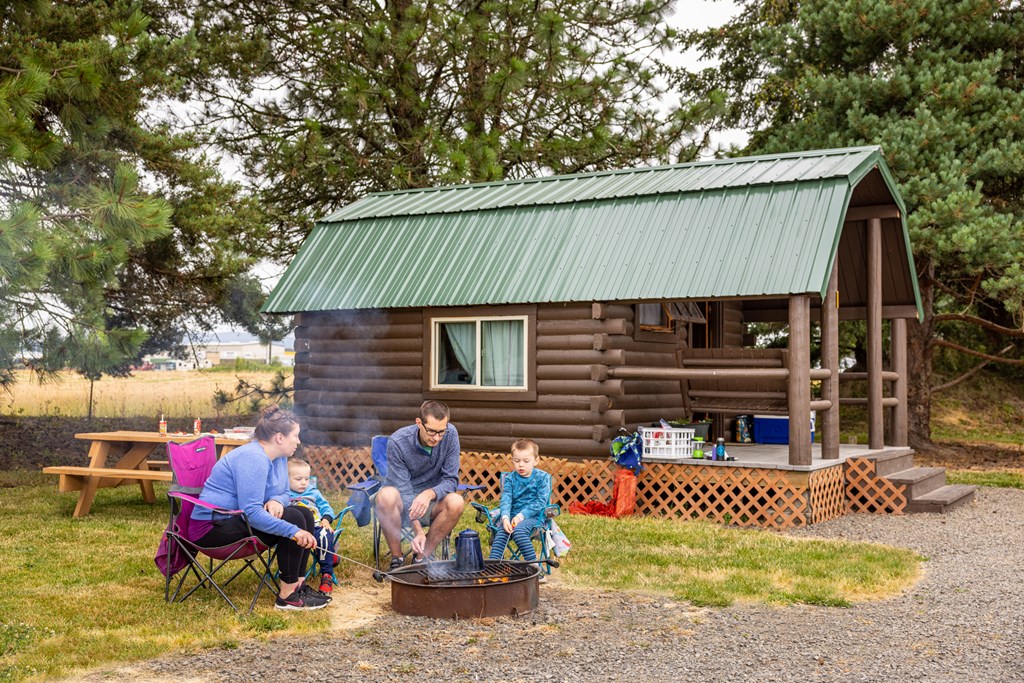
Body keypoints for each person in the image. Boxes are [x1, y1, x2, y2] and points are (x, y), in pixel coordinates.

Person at [191, 405, 329, 611]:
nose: (299, 441)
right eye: (296, 436)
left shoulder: (280, 457)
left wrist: (276, 501)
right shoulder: (253, 458)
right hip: (212, 527)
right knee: (293, 519)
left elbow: (284, 493)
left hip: (235, 520)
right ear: (280, 437)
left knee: (304, 513)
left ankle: (298, 586)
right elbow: (253, 513)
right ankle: (287, 596)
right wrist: (293, 531)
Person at [376, 400, 463, 570]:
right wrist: (418, 530)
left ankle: (421, 559)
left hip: (432, 502)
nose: (437, 438)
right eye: (431, 431)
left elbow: (451, 480)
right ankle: (397, 559)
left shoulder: (451, 434)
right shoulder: (398, 442)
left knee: (456, 502)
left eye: (441, 432)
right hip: (399, 503)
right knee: (386, 495)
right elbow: (404, 490)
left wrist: (429, 493)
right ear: (419, 423)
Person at [488, 438, 551, 569]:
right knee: (501, 533)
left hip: (535, 518)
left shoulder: (543, 478)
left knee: (519, 531)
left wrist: (520, 516)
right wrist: (505, 518)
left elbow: (540, 502)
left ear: (536, 460)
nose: (521, 465)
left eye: (526, 461)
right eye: (517, 461)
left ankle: (535, 568)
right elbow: (506, 499)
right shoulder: (510, 478)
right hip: (512, 517)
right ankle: (492, 567)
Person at [287, 458, 340, 593]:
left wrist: (326, 519)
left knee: (324, 535)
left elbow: (326, 508)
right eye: (298, 479)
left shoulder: (313, 493)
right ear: (286, 479)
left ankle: (326, 575)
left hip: (316, 525)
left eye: (306, 479)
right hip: (296, 530)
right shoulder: (284, 495)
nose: (304, 483)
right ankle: (329, 553)